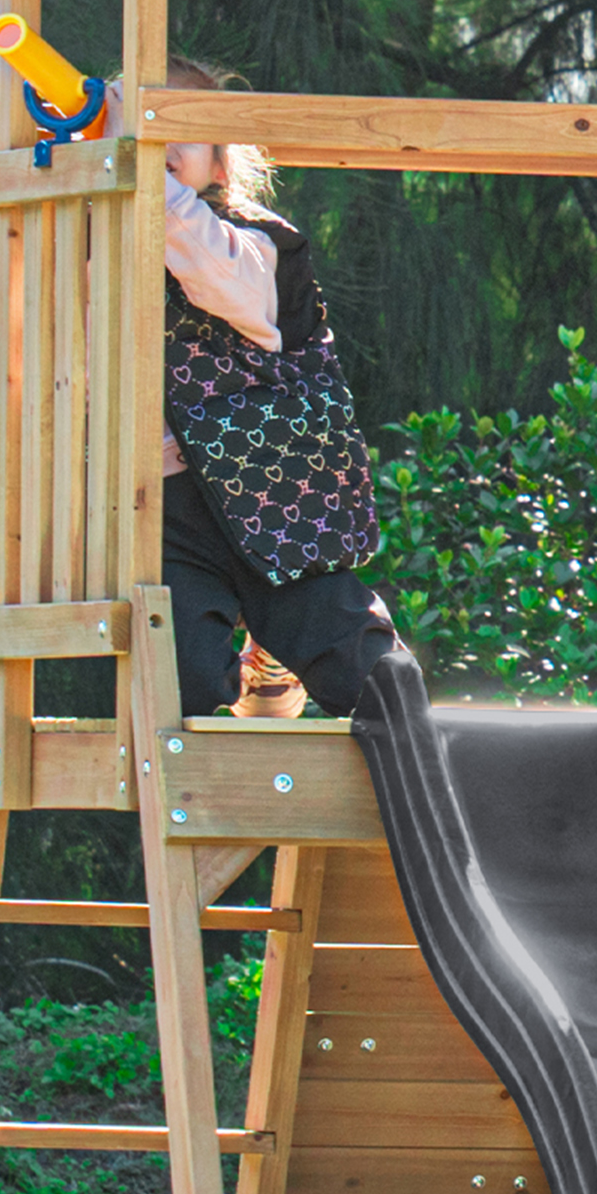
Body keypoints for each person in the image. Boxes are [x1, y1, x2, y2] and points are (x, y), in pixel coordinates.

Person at [115, 60, 400, 721]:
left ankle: (290, 668)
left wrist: (150, 176)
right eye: (142, 125)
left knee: (360, 665)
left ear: (220, 167)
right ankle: (215, 800)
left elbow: (215, 276)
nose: (159, 141)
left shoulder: (254, 243)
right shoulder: (105, 240)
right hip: (166, 504)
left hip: (273, 488)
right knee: (181, 680)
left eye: (181, 128)